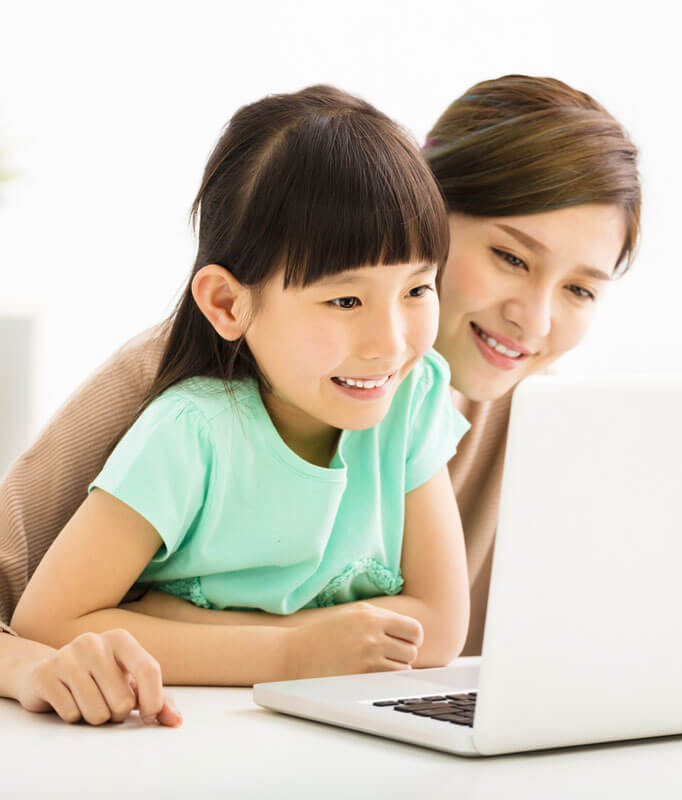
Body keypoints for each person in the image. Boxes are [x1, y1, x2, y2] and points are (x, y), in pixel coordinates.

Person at [0, 74, 641, 724]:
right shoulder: (182, 401)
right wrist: (285, 649)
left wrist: (177, 619)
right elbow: (41, 613)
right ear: (423, 210)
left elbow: (446, 635)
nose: (532, 324)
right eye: (510, 257)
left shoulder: (495, 416)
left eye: (582, 290)